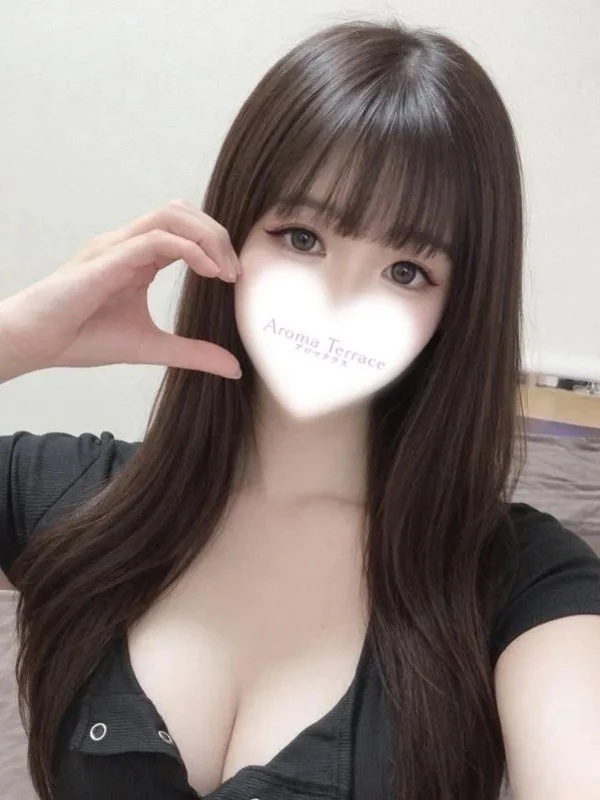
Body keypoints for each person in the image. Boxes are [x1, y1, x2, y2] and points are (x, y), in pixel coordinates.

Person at [1, 17, 600, 800]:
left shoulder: (521, 581)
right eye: (302, 238)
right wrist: (17, 337)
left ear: (458, 307)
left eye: (407, 270)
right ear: (228, 236)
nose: (338, 301)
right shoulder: (69, 494)